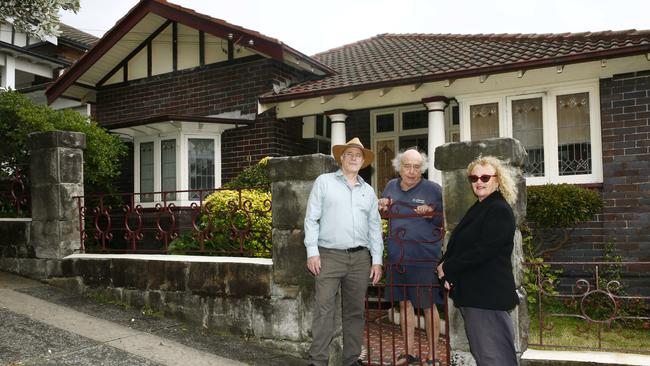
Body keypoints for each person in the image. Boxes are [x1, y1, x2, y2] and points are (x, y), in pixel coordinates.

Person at [304, 137, 384, 366]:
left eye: (357, 155)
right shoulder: (324, 182)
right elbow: (311, 218)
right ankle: (318, 361)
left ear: (363, 161)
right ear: (341, 158)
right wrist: (312, 251)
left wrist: (377, 261)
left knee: (355, 311)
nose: (353, 158)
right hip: (328, 256)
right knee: (324, 309)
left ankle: (351, 360)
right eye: (349, 154)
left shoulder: (368, 191)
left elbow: (374, 227)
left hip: (360, 259)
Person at [436, 155, 519, 366]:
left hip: (487, 297)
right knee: (485, 355)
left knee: (494, 357)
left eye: (485, 177)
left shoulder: (498, 209)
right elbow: (460, 244)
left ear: (498, 180)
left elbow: (484, 250)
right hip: (477, 296)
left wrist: (448, 267)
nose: (479, 182)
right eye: (474, 178)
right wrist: (446, 269)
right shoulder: (481, 207)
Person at [379, 149, 443, 366]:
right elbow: (386, 215)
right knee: (404, 305)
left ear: (422, 168)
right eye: (407, 166)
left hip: (423, 258)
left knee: (428, 305)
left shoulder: (433, 190)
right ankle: (408, 353)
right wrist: (382, 208)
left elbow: (443, 222)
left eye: (417, 167)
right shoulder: (390, 187)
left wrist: (431, 214)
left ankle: (433, 355)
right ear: (399, 166)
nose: (412, 171)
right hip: (398, 258)